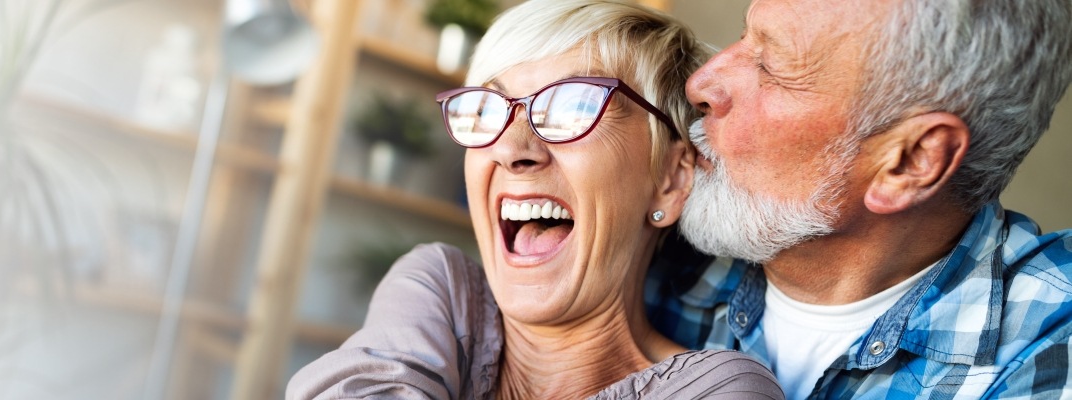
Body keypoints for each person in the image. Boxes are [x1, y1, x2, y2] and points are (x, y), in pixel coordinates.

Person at [287, 1, 783, 399]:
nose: (510, 149)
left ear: (672, 180)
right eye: (487, 108)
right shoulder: (441, 293)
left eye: (573, 106)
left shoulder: (721, 389)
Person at [643, 0, 1072, 399]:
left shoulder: (1050, 346)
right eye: (743, 35)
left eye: (771, 68)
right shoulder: (651, 236)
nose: (700, 82)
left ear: (909, 163)